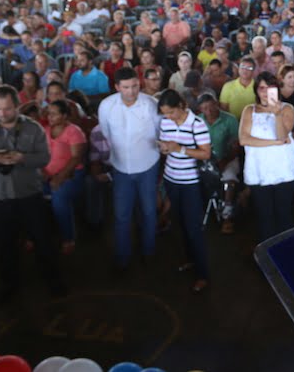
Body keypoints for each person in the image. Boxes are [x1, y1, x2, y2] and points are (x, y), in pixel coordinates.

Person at [0, 85, 64, 304]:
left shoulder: (34, 129)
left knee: (43, 240)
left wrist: (22, 159)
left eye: (8, 109)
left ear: (17, 106)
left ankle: (53, 280)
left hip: (29, 195)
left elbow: (44, 158)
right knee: (4, 244)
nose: (2, 113)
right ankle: (9, 284)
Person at [97, 67, 161, 271]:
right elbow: (106, 134)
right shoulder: (106, 106)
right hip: (121, 167)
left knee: (149, 211)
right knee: (121, 215)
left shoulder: (151, 104)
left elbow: (160, 132)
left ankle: (149, 252)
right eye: (126, 87)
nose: (131, 91)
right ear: (117, 87)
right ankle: (122, 257)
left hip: (148, 165)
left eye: (135, 86)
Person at [156, 89, 211, 293]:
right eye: (165, 113)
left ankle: (203, 274)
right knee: (179, 223)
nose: (168, 117)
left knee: (194, 228)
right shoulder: (165, 123)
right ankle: (189, 259)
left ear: (181, 105)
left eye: (171, 112)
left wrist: (180, 149)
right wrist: (164, 148)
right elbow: (166, 147)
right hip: (172, 179)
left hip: (191, 182)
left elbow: (205, 153)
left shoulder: (197, 124)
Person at [238, 72, 294, 242]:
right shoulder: (249, 110)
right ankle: (267, 257)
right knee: (264, 216)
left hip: (283, 171)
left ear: (277, 89)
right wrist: (274, 143)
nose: (265, 92)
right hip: (258, 171)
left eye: (270, 87)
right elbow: (244, 139)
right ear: (256, 90)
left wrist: (277, 114)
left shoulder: (287, 108)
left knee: (284, 215)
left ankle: (287, 255)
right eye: (262, 88)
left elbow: (281, 135)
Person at [42, 100, 87, 255]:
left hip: (71, 173)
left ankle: (68, 237)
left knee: (59, 198)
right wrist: (42, 172)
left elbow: (76, 158)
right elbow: (43, 154)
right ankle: (35, 234)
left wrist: (60, 177)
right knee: (31, 196)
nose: (50, 116)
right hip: (48, 173)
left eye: (54, 114)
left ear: (65, 115)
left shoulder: (74, 131)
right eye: (49, 113)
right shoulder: (46, 130)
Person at [198, 93, 241, 235]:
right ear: (200, 109)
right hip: (204, 159)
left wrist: (224, 161)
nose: (208, 111)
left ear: (216, 104)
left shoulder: (230, 119)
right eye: (204, 108)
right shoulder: (198, 121)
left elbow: (236, 146)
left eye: (211, 107)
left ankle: (227, 216)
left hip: (227, 158)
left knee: (229, 179)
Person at [219, 56, 256, 120]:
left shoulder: (258, 87)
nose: (245, 70)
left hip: (253, 122)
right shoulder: (228, 86)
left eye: (249, 68)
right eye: (242, 67)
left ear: (253, 71)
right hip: (233, 123)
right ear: (238, 68)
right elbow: (224, 109)